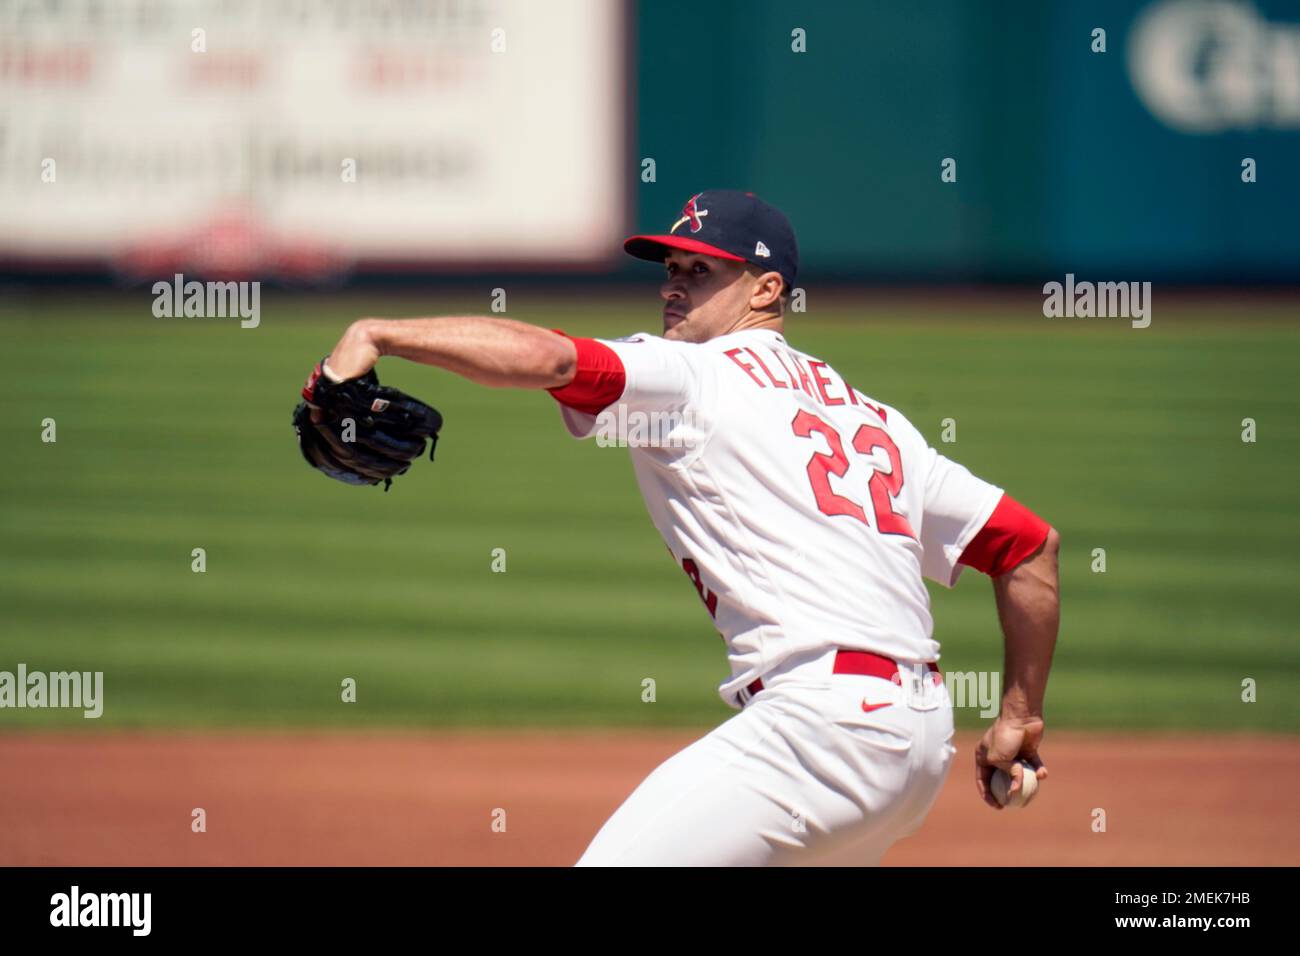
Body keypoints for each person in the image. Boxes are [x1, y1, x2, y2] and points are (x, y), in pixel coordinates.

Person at [321, 189, 1060, 866]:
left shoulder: (693, 375)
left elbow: (548, 357)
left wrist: (379, 332)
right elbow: (1029, 548)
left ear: (768, 289)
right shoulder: (881, 422)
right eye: (670, 267)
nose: (674, 283)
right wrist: (1019, 716)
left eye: (701, 270)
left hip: (820, 734)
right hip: (918, 741)